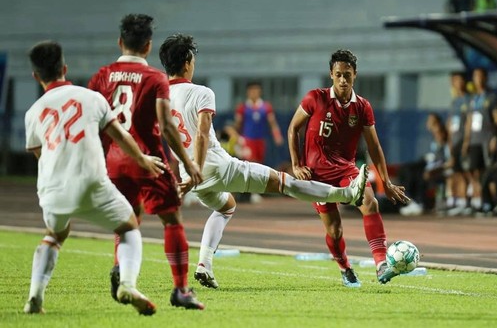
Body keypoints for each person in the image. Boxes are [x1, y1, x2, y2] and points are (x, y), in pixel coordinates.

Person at [158, 35, 368, 289]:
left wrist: (184, 174)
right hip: (214, 167)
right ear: (188, 62)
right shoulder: (201, 92)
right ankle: (346, 193)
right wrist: (195, 172)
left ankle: (204, 264)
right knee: (285, 183)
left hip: (190, 174)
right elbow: (202, 133)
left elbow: (167, 137)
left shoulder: (160, 98)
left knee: (226, 207)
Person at [23, 41, 165, 315]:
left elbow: (40, 155)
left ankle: (35, 297)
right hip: (92, 182)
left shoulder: (33, 113)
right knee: (128, 227)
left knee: (55, 234)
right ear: (64, 68)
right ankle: (126, 283)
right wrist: (143, 160)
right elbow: (120, 136)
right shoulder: (91, 98)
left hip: (52, 189)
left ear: (36, 76)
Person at [88, 14, 205, 310]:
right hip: (148, 160)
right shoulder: (155, 78)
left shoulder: (101, 76)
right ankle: (180, 289)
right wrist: (190, 164)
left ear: (120, 42)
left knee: (127, 221)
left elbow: (92, 123)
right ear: (148, 46)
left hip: (113, 161)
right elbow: (166, 126)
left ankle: (120, 267)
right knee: (172, 220)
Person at [288, 49, 409, 287]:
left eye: (348, 75)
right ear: (331, 75)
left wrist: (387, 182)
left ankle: (381, 263)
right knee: (334, 231)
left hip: (346, 171)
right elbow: (293, 129)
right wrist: (296, 165)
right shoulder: (315, 98)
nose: (343, 80)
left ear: (355, 75)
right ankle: (345, 267)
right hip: (317, 176)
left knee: (370, 202)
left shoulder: (363, 107)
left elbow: (375, 147)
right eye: (338, 74)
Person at [235, 81, 284, 203]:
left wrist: (277, 136)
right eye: (252, 91)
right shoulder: (243, 107)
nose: (254, 93)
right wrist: (237, 139)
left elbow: (272, 123)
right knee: (249, 165)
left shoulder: (266, 107)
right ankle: (249, 192)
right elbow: (237, 125)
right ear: (248, 92)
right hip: (247, 140)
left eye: (256, 90)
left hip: (260, 141)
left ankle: (254, 190)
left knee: (259, 165)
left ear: (260, 91)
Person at [462, 68, 497, 213]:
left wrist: (494, 138)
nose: (478, 79)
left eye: (480, 76)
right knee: (474, 171)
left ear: (485, 78)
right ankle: (479, 200)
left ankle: (491, 202)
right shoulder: (472, 99)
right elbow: (469, 121)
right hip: (474, 140)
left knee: (487, 172)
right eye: (475, 76)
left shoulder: (491, 98)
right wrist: (466, 141)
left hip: (486, 140)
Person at [446, 71, 471, 216]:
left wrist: (467, 140)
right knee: (456, 172)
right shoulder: (454, 102)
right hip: (454, 141)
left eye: (458, 80)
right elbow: (450, 123)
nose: (456, 84)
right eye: (454, 81)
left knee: (465, 171)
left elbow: (469, 121)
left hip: (463, 140)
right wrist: (449, 141)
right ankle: (459, 201)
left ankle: (467, 201)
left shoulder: (468, 100)